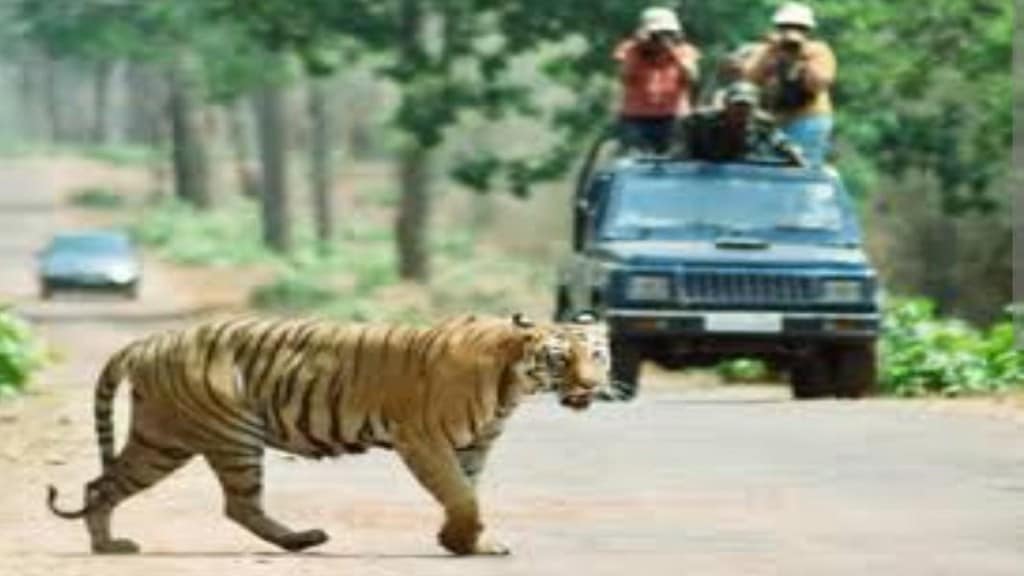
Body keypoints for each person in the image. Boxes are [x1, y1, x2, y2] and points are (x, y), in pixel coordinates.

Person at [742, 2, 836, 165]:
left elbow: (819, 84)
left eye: (799, 28)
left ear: (807, 31)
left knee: (805, 168)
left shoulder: (818, 51)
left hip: (809, 119)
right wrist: (771, 52)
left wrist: (802, 56)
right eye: (785, 27)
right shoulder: (768, 50)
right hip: (774, 120)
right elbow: (749, 77)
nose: (791, 32)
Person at [614, 6, 701, 154]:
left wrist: (672, 52)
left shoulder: (685, 51)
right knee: (635, 159)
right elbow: (625, 77)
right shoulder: (630, 50)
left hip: (673, 117)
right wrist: (638, 48)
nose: (659, 39)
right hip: (636, 118)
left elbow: (692, 78)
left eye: (666, 33)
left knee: (674, 161)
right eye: (656, 34)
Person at [676, 81, 805, 166]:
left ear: (756, 107)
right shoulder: (700, 121)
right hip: (705, 173)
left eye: (747, 106)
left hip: (745, 174)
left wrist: (793, 152)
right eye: (737, 105)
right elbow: (680, 148)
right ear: (726, 104)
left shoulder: (764, 124)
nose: (742, 110)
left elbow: (782, 143)